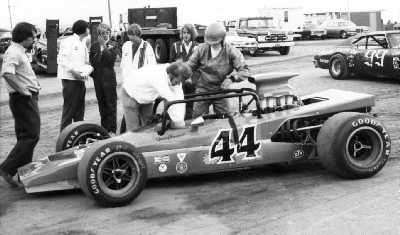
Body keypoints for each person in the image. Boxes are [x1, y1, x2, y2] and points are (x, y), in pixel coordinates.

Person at [0, 22, 40, 187]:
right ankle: (7, 168)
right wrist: (24, 90)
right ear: (25, 37)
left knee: (25, 136)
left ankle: (23, 173)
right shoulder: (14, 52)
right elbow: (7, 74)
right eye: (33, 36)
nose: (34, 40)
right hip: (22, 99)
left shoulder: (18, 51)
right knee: (31, 135)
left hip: (24, 98)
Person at [186, 22, 250, 118]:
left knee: (226, 119)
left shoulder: (231, 51)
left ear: (222, 39)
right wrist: (185, 75)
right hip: (202, 90)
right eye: (210, 43)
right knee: (197, 119)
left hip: (221, 90)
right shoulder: (201, 49)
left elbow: (245, 70)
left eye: (215, 42)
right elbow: (189, 66)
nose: (212, 45)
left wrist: (231, 79)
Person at [121, 61, 191, 132]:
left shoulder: (176, 74)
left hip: (146, 97)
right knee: (134, 130)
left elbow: (179, 99)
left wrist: (180, 122)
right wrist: (177, 123)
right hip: (130, 93)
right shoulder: (159, 77)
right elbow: (171, 100)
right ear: (171, 75)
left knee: (149, 127)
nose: (179, 83)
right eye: (178, 81)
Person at [120, 23, 157, 132]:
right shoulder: (126, 46)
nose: (131, 39)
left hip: (143, 89)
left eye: (133, 36)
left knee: (147, 122)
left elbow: (152, 68)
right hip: (129, 89)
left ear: (138, 35)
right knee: (132, 125)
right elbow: (123, 65)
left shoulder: (147, 47)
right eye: (129, 36)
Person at [58, 20, 92, 131]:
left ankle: (78, 134)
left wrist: (87, 69)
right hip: (70, 80)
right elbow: (61, 59)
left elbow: (84, 61)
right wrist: (74, 72)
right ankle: (64, 137)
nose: (89, 30)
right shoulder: (68, 41)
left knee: (79, 109)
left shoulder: (83, 42)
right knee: (69, 109)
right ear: (83, 29)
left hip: (80, 79)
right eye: (88, 27)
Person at [89, 23, 119, 134]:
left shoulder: (113, 45)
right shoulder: (94, 46)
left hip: (109, 81)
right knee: (102, 106)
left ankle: (112, 130)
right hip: (98, 81)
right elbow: (92, 63)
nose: (105, 35)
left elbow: (111, 60)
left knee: (111, 106)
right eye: (102, 33)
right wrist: (92, 75)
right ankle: (104, 129)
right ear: (98, 34)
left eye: (107, 33)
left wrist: (104, 47)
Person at [170, 23, 199, 119]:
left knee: (190, 105)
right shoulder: (175, 46)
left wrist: (192, 79)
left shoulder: (197, 47)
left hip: (192, 82)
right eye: (184, 33)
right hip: (179, 81)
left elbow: (199, 66)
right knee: (179, 104)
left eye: (188, 33)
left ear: (192, 34)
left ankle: (189, 122)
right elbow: (172, 64)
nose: (186, 35)